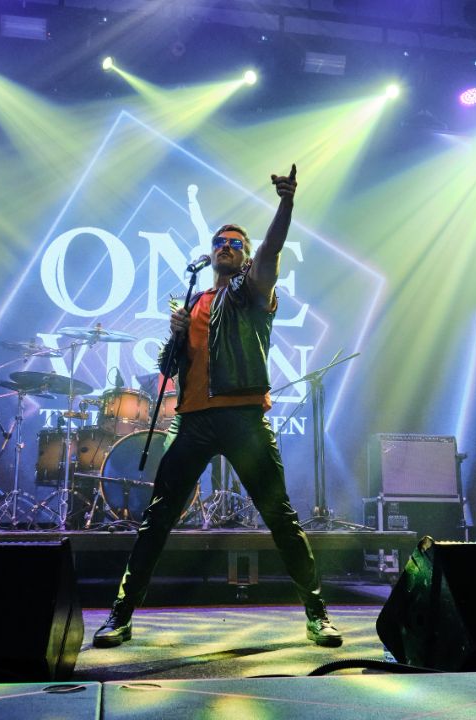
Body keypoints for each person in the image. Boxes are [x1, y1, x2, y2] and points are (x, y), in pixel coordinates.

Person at [93, 165, 343, 648]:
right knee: (158, 518)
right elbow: (172, 369)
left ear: (244, 256)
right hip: (193, 420)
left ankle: (318, 615)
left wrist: (286, 203)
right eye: (220, 242)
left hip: (243, 417)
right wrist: (175, 336)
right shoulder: (194, 303)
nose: (226, 246)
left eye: (236, 243)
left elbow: (271, 251)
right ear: (210, 254)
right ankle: (120, 615)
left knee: (280, 517)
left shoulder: (252, 292)